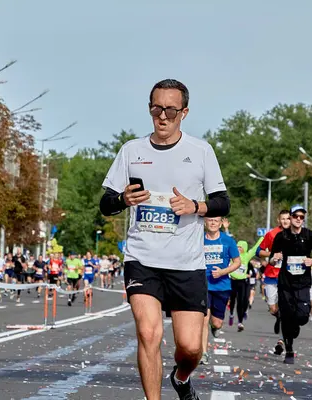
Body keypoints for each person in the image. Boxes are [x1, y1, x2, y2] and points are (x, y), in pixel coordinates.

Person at [99, 78, 229, 400]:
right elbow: (106, 203)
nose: (163, 116)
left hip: (186, 264)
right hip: (142, 260)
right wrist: (122, 200)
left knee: (191, 348)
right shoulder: (131, 150)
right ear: (149, 109)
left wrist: (195, 206)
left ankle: (181, 378)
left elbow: (222, 202)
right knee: (148, 332)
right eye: (157, 108)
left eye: (171, 109)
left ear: (184, 112)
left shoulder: (200, 151)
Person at [270, 205, 312, 364]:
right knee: (287, 317)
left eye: (301, 216)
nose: (298, 219)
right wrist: (275, 258)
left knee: (302, 317)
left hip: (303, 283)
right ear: (291, 217)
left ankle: (291, 324)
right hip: (285, 283)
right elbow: (272, 258)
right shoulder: (281, 236)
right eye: (295, 216)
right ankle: (289, 350)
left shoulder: (310, 236)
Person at [200, 216, 241, 365]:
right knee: (203, 319)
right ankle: (203, 353)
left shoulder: (228, 241)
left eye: (215, 221)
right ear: (205, 221)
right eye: (210, 220)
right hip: (203, 285)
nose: (212, 223)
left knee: (217, 323)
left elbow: (237, 262)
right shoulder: (199, 240)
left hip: (222, 285)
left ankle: (214, 326)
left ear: (220, 223)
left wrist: (223, 272)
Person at [258, 210, 291, 334]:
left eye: (288, 218)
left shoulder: (296, 234)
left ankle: (284, 334)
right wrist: (272, 254)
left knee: (286, 306)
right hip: (272, 276)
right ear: (278, 220)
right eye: (283, 219)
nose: (285, 221)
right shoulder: (271, 234)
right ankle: (278, 316)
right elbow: (259, 251)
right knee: (272, 308)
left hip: (288, 277)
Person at [228, 236, 263, 331]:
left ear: (244, 248)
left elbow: (255, 248)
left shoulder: (247, 256)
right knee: (232, 299)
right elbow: (228, 242)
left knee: (241, 302)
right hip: (232, 280)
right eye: (238, 247)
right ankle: (231, 313)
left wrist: (263, 238)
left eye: (241, 247)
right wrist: (226, 229)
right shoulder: (233, 255)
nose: (239, 249)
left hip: (242, 282)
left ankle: (240, 322)